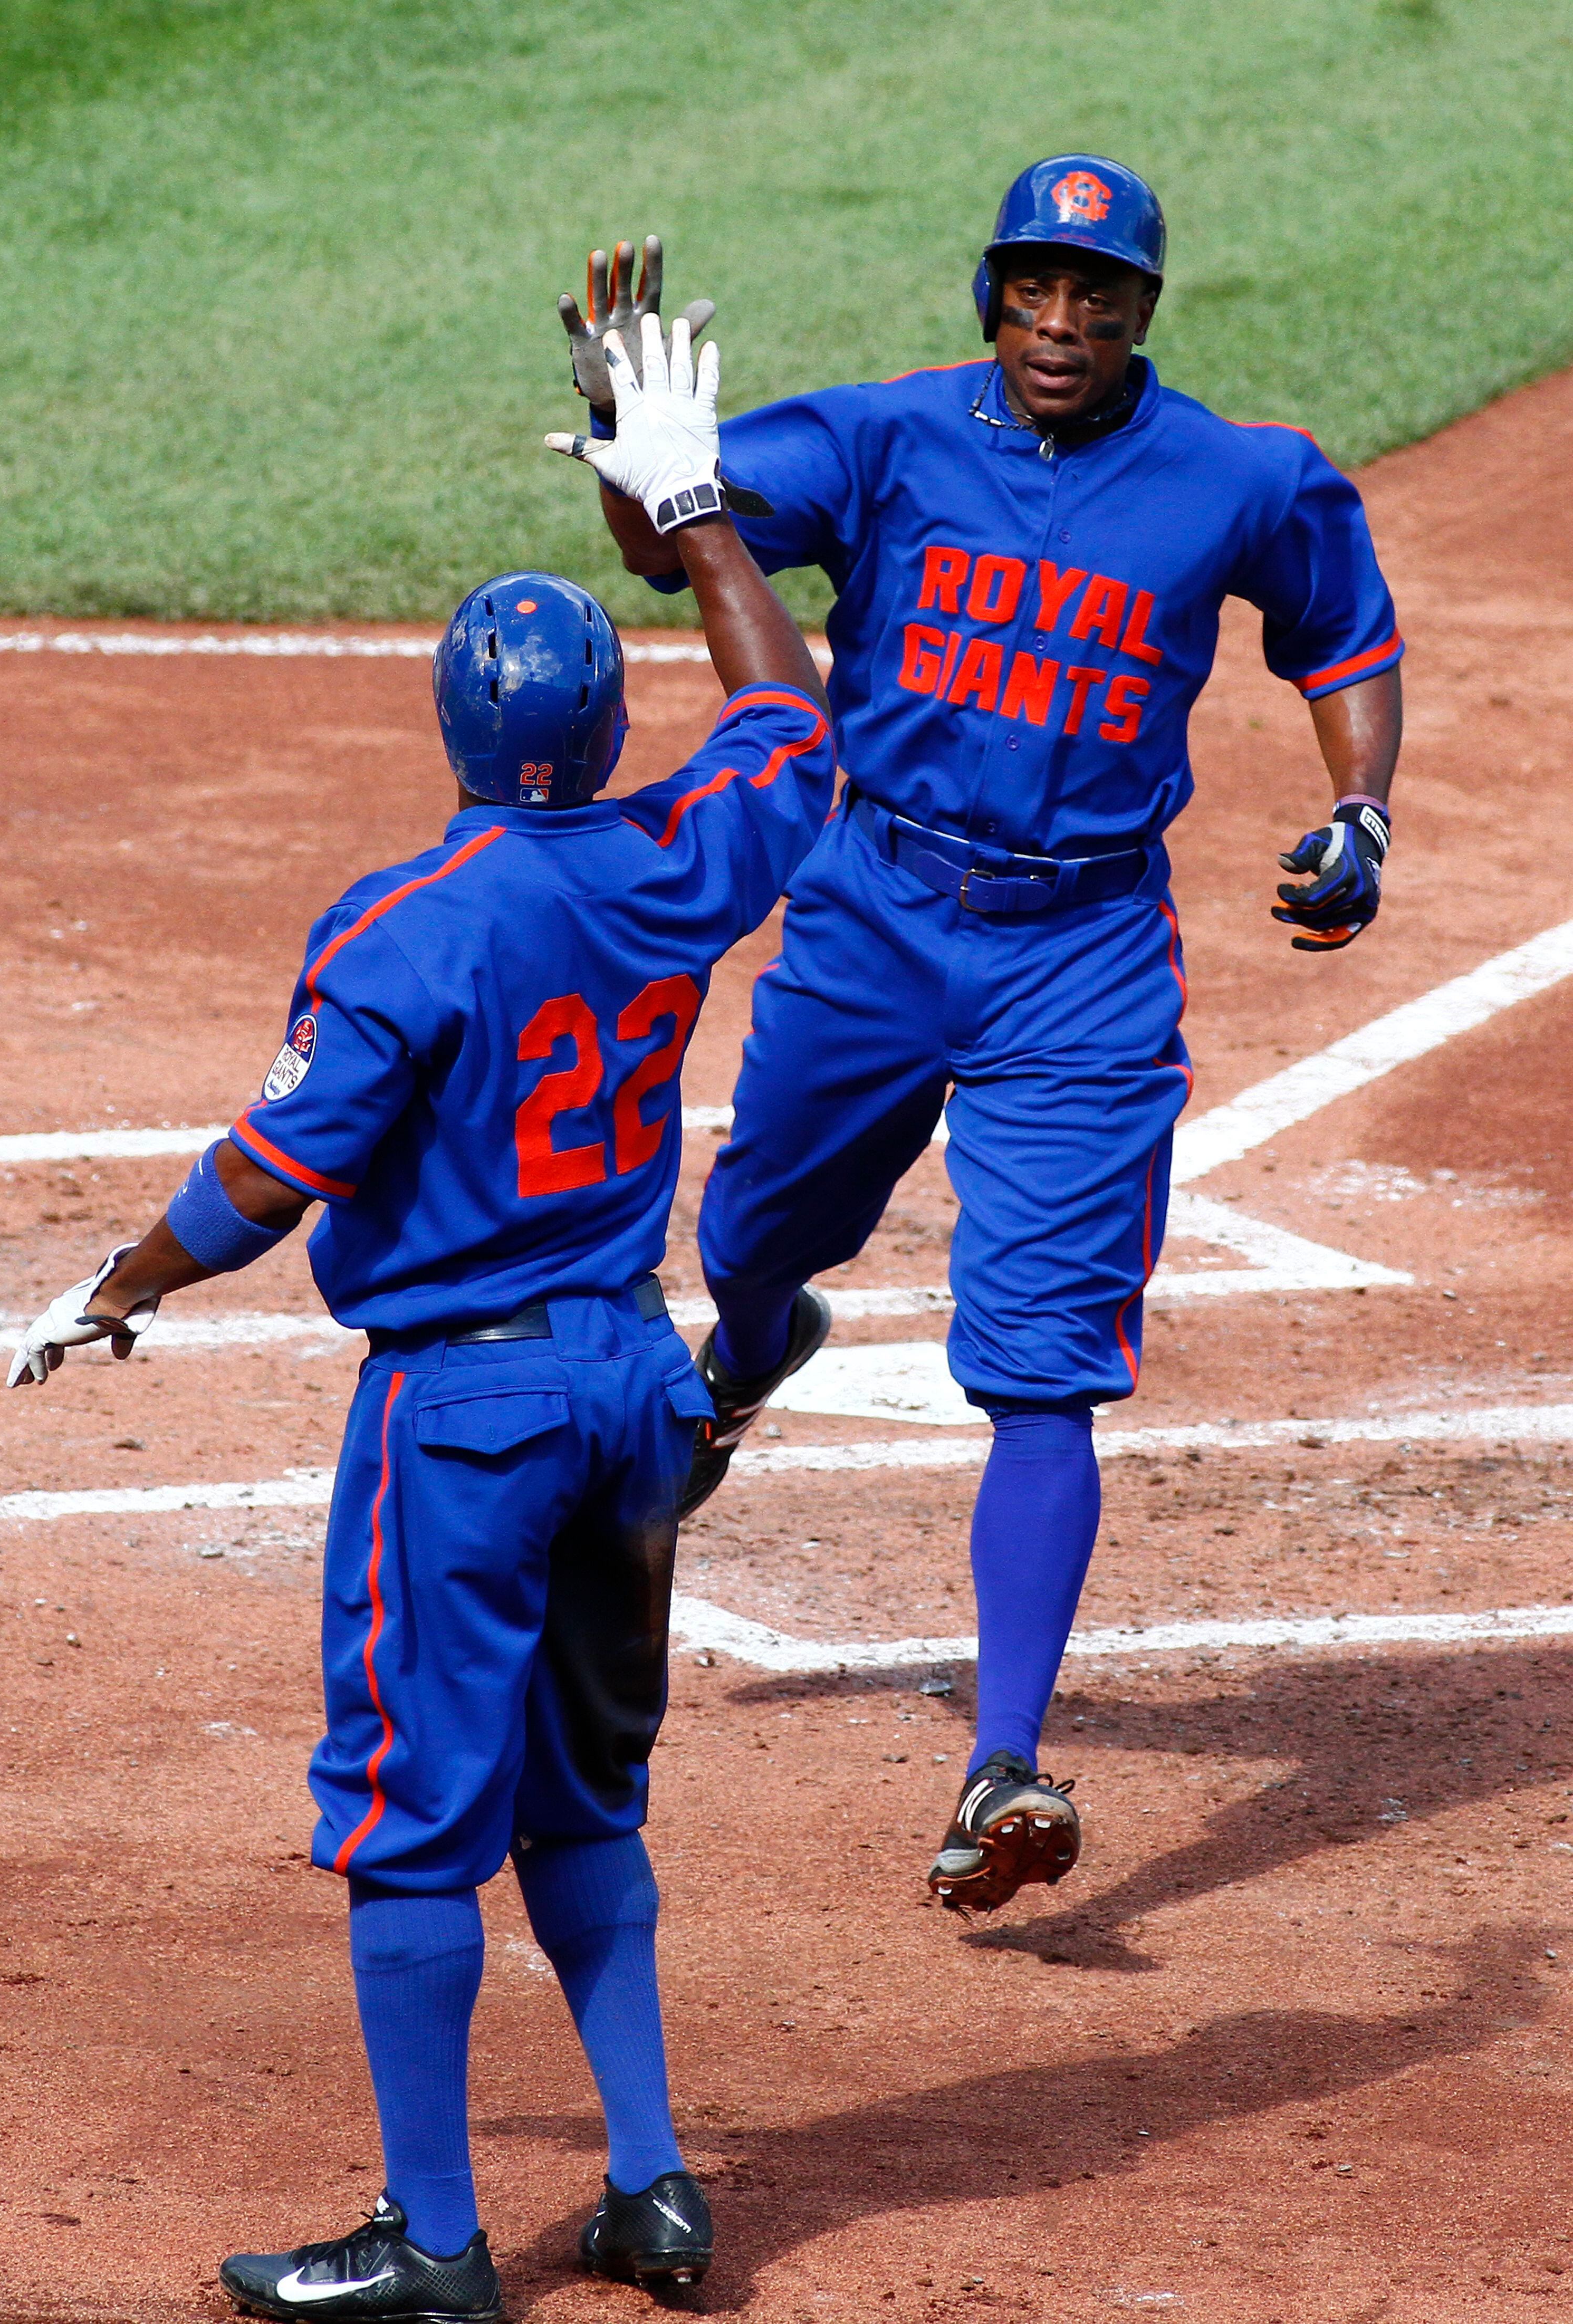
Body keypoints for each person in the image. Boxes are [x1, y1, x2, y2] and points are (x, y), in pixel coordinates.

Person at [8, 318, 834, 2315]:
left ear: (459, 736)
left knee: (406, 1828)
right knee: (584, 1802)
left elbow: (269, 1178)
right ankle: (650, 2189)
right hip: (633, 1381)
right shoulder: (680, 857)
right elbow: (793, 721)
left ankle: (437, 2246)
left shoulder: (401, 927)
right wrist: (697, 509)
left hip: (463, 1419)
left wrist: (116, 1291)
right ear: (600, 732)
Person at [561, 159, 1402, 1916]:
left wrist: (1364, 810)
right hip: (876, 911)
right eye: (1036, 289)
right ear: (990, 298)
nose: (1065, 324)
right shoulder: (887, 441)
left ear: (1144, 314)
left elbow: (1344, 639)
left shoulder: (1243, 479)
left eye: (1100, 296)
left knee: (1044, 1363)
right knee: (751, 1238)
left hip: (1086, 954)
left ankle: (1003, 1758)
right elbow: (674, 542)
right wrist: (637, 461)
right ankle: (760, 1333)